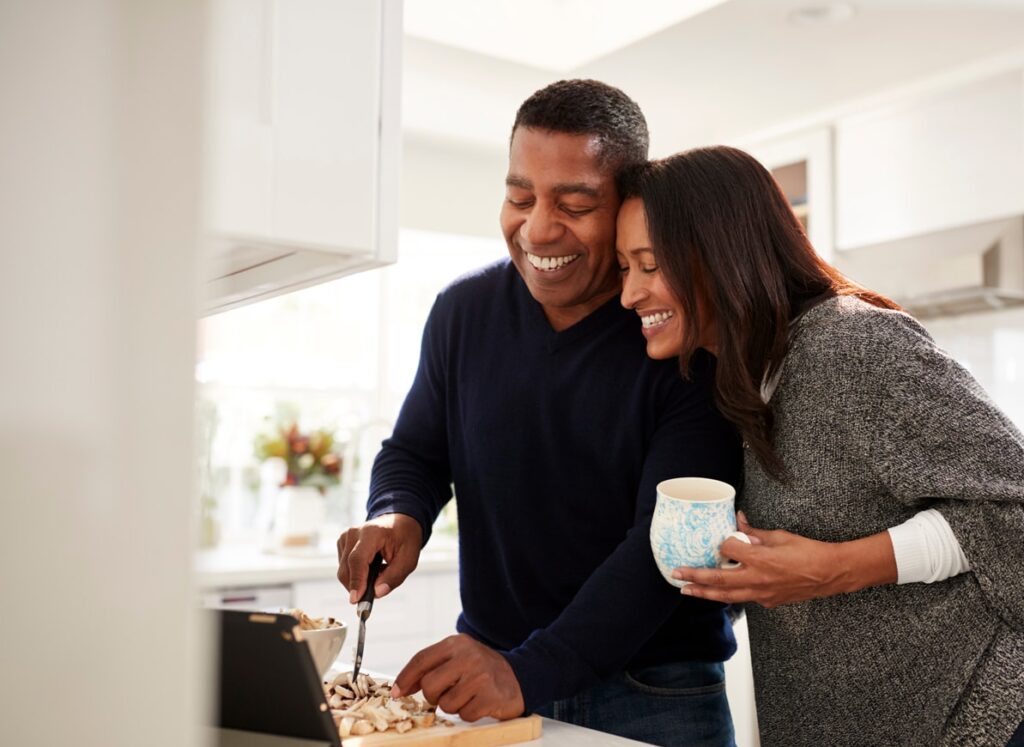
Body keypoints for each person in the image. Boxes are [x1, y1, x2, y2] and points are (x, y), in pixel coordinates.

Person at [335, 80, 744, 746]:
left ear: (629, 207)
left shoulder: (680, 335)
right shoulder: (461, 313)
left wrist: (527, 670)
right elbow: (417, 449)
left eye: (575, 203)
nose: (538, 227)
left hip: (653, 693)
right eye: (519, 196)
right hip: (492, 676)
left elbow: (662, 546)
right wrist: (398, 513)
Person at [615, 145, 1024, 746]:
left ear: (720, 252)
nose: (630, 295)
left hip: (974, 720)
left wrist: (831, 570)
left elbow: (1013, 507)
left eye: (649, 265)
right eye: (625, 269)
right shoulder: (739, 381)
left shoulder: (850, 343)